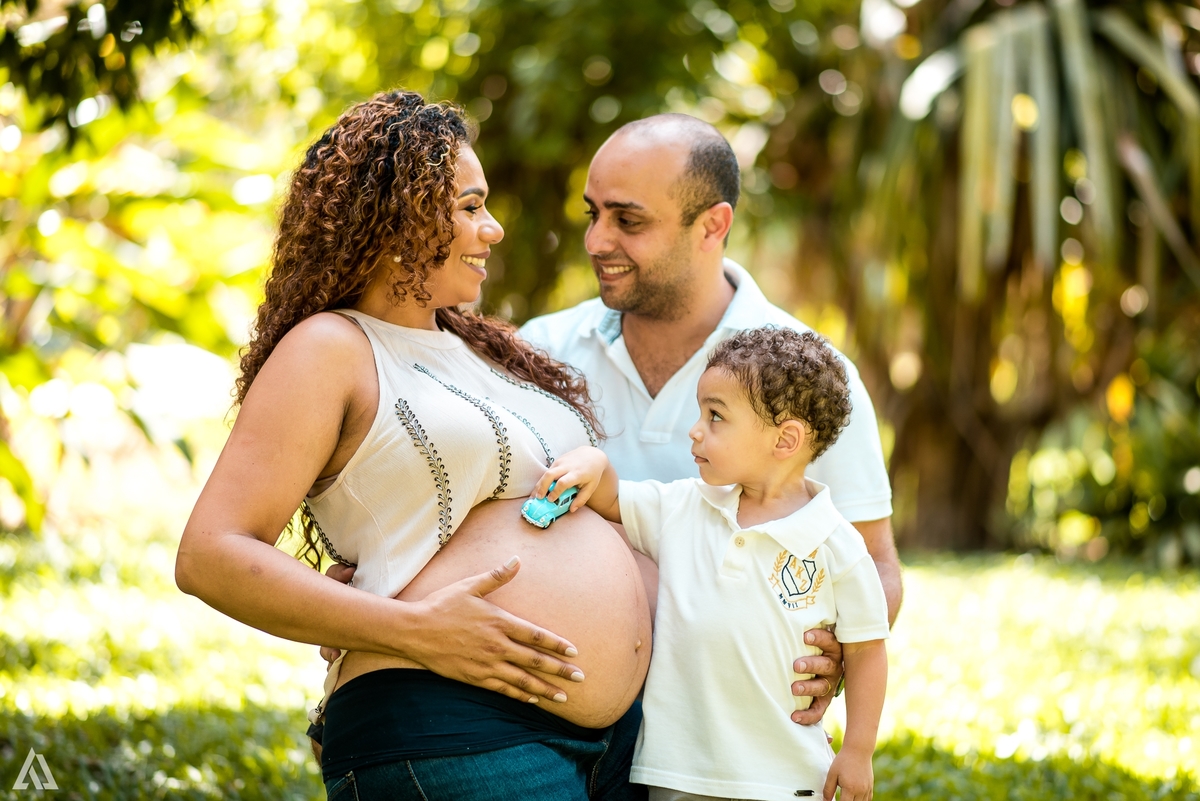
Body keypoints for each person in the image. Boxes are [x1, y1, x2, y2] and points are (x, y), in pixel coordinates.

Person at [174, 90, 653, 801]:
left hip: (618, 743)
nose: (492, 228)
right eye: (469, 205)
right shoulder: (331, 348)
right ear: (400, 211)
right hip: (449, 724)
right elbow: (210, 554)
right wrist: (411, 628)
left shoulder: (484, 347)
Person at [519, 114, 902, 723]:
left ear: (712, 226)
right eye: (593, 214)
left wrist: (838, 655)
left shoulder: (808, 375)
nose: (595, 241)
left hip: (729, 729)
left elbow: (875, 560)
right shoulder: (539, 351)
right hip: (550, 709)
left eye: (628, 220)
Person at [531, 327, 889, 801]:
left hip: (783, 778)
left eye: (715, 416)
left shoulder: (837, 545)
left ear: (785, 440)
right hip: (677, 772)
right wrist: (592, 461)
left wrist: (858, 751)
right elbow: (613, 498)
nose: (695, 429)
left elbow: (866, 650)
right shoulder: (684, 506)